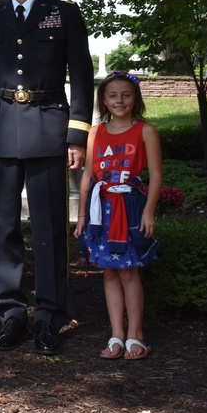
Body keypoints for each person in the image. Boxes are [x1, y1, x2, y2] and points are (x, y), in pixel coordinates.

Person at [0, 0, 94, 355]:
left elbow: (81, 76)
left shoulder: (65, 14)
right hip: (1, 133)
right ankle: (11, 315)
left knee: (49, 228)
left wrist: (77, 135)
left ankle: (49, 317)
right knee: (2, 229)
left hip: (47, 129)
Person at [74, 71, 161, 360]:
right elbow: (88, 175)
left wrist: (149, 211)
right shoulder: (95, 132)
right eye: (112, 95)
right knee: (109, 271)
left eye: (126, 94)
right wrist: (82, 215)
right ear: (104, 100)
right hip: (102, 210)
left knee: (128, 271)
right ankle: (116, 335)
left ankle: (136, 334)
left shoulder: (146, 130)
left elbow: (157, 175)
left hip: (130, 208)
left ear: (135, 98)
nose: (119, 100)